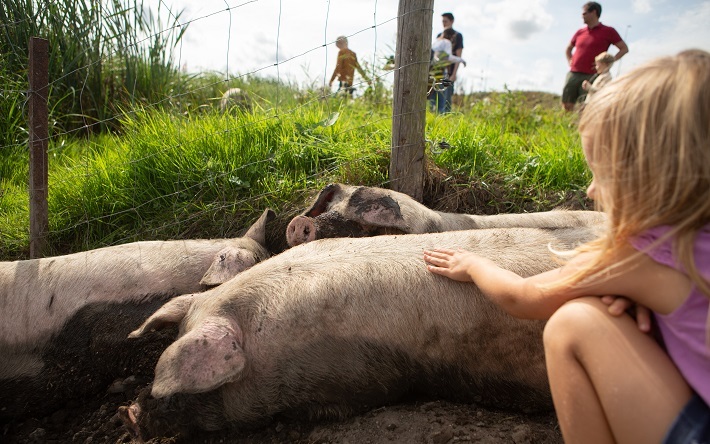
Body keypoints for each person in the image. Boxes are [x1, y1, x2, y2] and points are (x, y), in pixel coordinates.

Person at [424, 49, 710, 443]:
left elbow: (523, 297)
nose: (592, 190)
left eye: (602, 174)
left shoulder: (644, 254)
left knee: (572, 324)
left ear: (651, 178)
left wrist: (473, 264)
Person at [562, 2, 628, 111]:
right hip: (574, 72)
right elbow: (568, 48)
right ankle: (567, 126)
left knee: (586, 106)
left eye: (584, 13)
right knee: (567, 103)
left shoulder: (608, 31)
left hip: (592, 75)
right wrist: (570, 60)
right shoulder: (580, 32)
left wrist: (610, 62)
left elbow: (624, 49)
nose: (582, 16)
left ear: (594, 12)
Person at [428, 12, 463, 114]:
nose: (443, 23)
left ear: (452, 21)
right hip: (436, 72)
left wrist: (454, 74)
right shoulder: (439, 36)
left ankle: (445, 121)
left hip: (448, 73)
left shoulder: (457, 36)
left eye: (445, 21)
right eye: (442, 21)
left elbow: (458, 55)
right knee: (434, 96)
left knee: (445, 97)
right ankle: (433, 119)